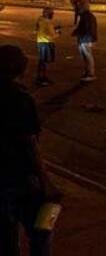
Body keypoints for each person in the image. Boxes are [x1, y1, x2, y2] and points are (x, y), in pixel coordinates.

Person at [0, 44, 60, 256]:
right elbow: (30, 144)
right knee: (42, 230)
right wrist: (47, 182)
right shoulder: (20, 99)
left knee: (7, 237)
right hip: (21, 178)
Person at [71, 0, 97, 82]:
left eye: (80, 6)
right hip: (84, 39)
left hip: (85, 39)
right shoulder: (85, 16)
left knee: (88, 57)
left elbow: (86, 29)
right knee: (85, 57)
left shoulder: (87, 16)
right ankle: (87, 72)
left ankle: (91, 74)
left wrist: (76, 32)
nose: (78, 8)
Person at [35, 7, 60, 86]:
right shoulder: (47, 23)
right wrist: (58, 33)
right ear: (47, 14)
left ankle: (41, 77)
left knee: (42, 61)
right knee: (44, 61)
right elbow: (51, 35)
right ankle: (41, 78)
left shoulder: (40, 19)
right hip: (46, 43)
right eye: (51, 13)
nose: (52, 15)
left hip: (40, 41)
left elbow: (40, 29)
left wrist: (53, 28)